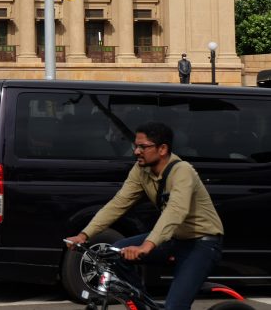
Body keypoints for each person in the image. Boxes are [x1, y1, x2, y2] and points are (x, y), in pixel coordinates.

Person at [65, 122, 224, 310]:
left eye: (143, 146)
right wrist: (84, 236)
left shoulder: (183, 171)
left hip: (202, 243)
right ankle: (144, 306)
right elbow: (117, 204)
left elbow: (175, 212)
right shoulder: (141, 170)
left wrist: (146, 246)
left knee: (175, 307)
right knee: (116, 253)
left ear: (162, 149)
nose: (136, 151)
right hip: (174, 239)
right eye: (136, 146)